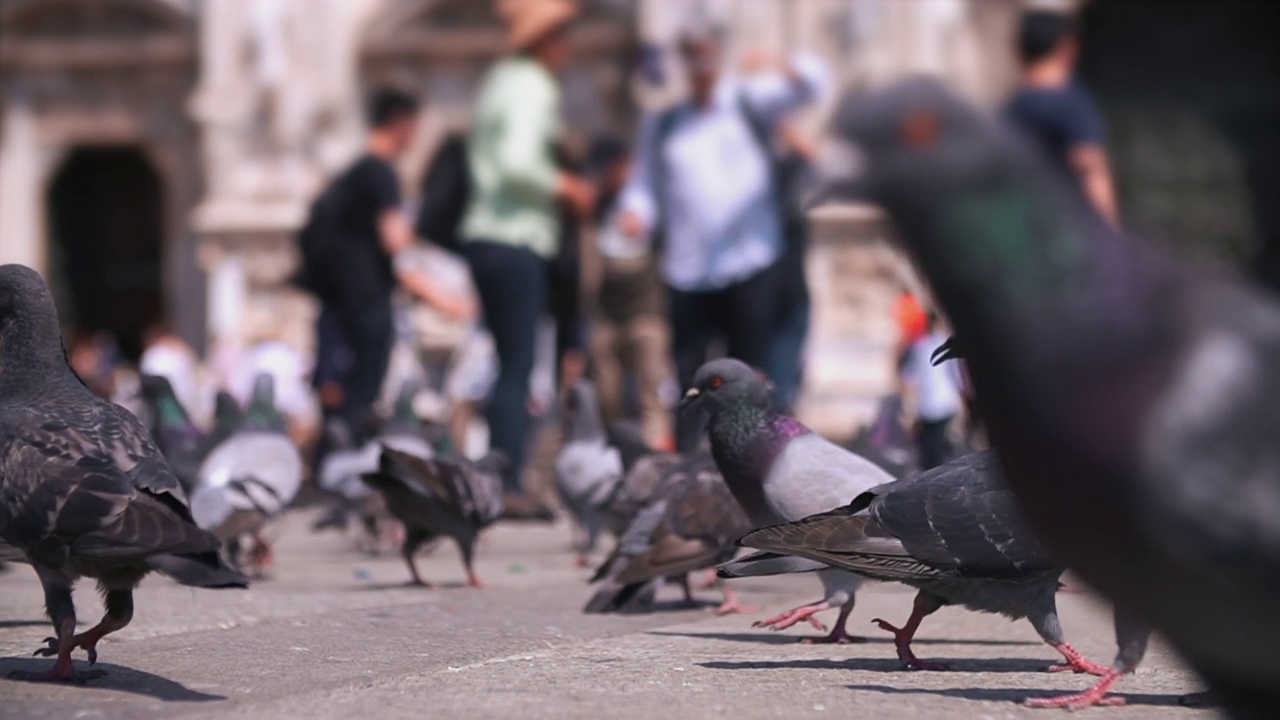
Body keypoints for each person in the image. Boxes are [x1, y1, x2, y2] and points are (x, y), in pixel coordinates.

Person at [617, 26, 829, 451]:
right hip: (688, 268)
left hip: (750, 260)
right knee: (690, 376)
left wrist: (774, 60)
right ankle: (692, 470)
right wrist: (635, 213)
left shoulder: (749, 102)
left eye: (707, 55)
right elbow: (644, 185)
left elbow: (813, 82)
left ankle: (751, 459)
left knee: (750, 374)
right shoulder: (665, 123)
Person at [461, 0, 595, 507]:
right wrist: (567, 186)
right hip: (516, 235)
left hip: (484, 235)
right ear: (545, 41)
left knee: (506, 362)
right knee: (519, 364)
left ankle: (500, 470)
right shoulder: (532, 85)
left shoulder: (500, 82)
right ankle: (509, 480)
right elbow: (518, 162)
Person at [307, 88, 472, 443]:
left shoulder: (350, 176)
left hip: (339, 305)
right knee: (362, 397)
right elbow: (396, 244)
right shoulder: (381, 174)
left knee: (339, 398)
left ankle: (333, 465)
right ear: (401, 125)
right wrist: (444, 295)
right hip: (367, 304)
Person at [587, 136, 673, 449]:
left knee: (652, 391)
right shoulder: (596, 208)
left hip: (647, 313)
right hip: (607, 316)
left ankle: (653, 453)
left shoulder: (651, 203)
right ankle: (617, 448)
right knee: (606, 392)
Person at [1004, 9, 1118, 226]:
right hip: (1070, 234)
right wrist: (1110, 237)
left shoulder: (1008, 111)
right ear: (1067, 48)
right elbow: (1088, 166)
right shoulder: (1071, 105)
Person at [902, 313, 963, 471]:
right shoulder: (923, 346)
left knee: (930, 450)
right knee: (934, 449)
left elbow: (909, 378)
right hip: (943, 404)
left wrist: (909, 408)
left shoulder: (919, 346)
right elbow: (957, 379)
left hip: (929, 405)